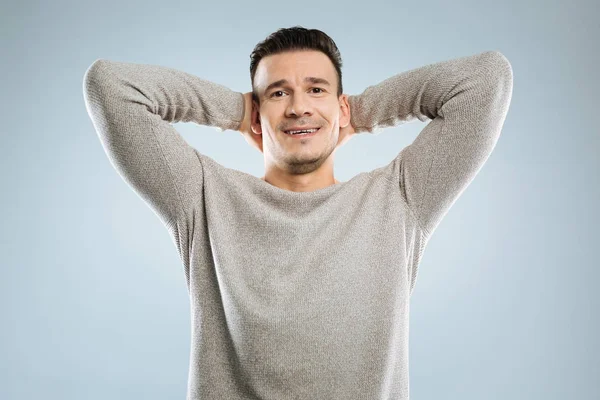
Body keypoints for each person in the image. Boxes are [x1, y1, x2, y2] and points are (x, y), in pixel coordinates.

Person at [82, 25, 513, 400]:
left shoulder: (400, 197)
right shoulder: (202, 196)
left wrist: (355, 116)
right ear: (258, 113)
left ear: (339, 105)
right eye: (278, 93)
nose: (298, 107)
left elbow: (486, 79)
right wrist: (237, 111)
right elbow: (111, 86)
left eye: (316, 89)